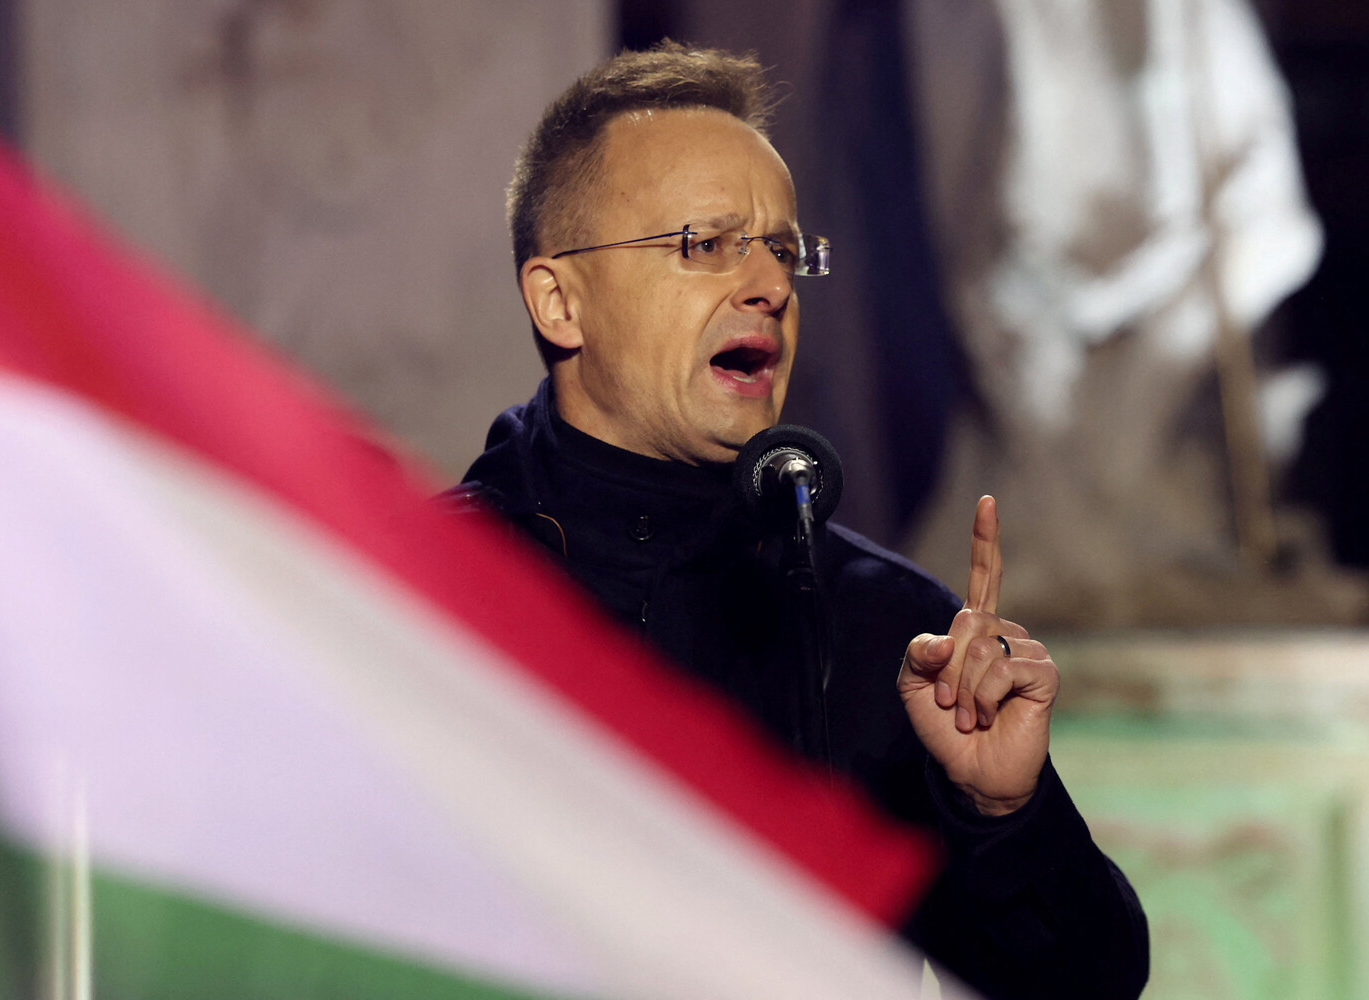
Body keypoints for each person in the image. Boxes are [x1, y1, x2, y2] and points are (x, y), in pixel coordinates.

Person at [449, 41, 1148, 999]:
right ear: (560, 301)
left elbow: (1087, 986)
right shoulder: (420, 594)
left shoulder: (892, 632)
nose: (771, 287)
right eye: (706, 244)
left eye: (783, 250)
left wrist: (1001, 812)